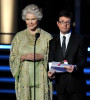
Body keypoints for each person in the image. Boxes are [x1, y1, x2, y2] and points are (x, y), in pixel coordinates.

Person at [10, 4, 53, 100]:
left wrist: (42, 57)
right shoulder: (18, 37)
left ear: (38, 19)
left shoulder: (47, 37)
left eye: (33, 19)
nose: (30, 22)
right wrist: (23, 57)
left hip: (42, 83)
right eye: (28, 19)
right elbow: (12, 58)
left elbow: (54, 59)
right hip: (24, 83)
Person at [48, 10, 87, 100]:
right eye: (62, 22)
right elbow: (50, 61)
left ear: (71, 23)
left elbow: (83, 60)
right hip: (60, 86)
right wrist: (50, 72)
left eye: (67, 22)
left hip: (76, 85)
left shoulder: (80, 40)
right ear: (58, 23)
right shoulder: (52, 42)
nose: (64, 25)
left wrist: (75, 67)